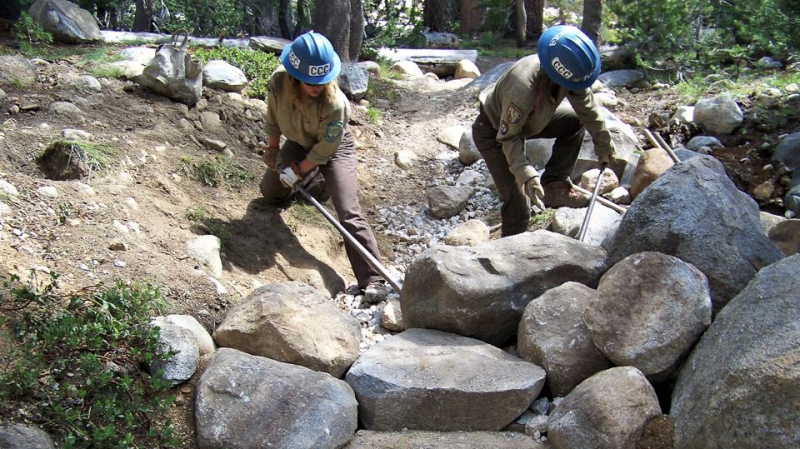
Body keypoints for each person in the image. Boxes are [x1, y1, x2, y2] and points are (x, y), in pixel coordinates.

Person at [259, 31, 387, 303]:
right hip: (298, 142)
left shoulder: (335, 104)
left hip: (334, 150)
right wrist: (273, 151)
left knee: (348, 211)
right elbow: (272, 117)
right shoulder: (278, 82)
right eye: (309, 81)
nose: (317, 86)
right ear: (295, 75)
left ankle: (373, 277)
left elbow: (324, 151)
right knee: (270, 190)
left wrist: (298, 170)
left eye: (321, 80)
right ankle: (317, 184)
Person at [472, 25, 617, 237]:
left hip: (532, 122)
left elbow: (587, 108)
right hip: (495, 133)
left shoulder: (568, 71)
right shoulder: (523, 88)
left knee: (574, 122)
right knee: (519, 204)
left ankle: (555, 185)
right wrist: (528, 175)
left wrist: (603, 144)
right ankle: (509, 258)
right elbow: (509, 137)